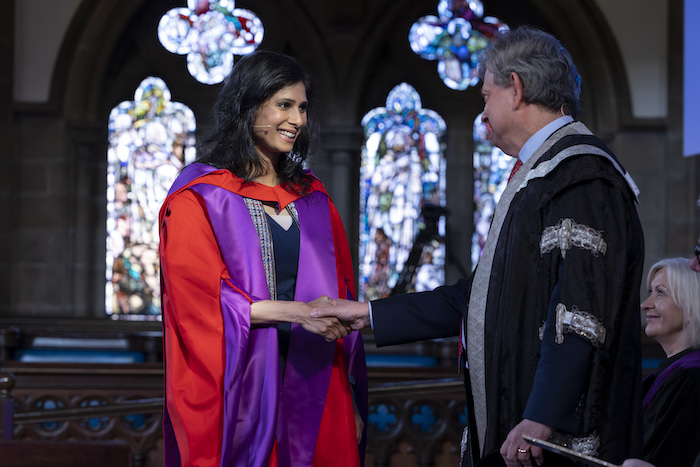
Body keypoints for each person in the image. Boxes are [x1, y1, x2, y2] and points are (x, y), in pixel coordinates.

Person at [312, 26, 644, 466]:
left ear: (517, 89)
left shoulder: (581, 176)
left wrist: (542, 417)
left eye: (487, 95)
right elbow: (480, 298)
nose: (483, 112)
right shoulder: (539, 174)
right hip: (518, 429)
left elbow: (580, 313)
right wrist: (367, 314)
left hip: (555, 442)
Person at [159, 50, 367, 466]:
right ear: (248, 106)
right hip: (241, 381)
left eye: (303, 107)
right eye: (284, 105)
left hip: (317, 375)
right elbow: (201, 300)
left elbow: (342, 291)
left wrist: (350, 396)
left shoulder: (314, 198)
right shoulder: (198, 197)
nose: (298, 120)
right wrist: (300, 312)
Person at [638, 257, 700, 466]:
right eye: (650, 293)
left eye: (661, 293)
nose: (645, 305)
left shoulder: (690, 377)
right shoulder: (674, 374)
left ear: (692, 301)